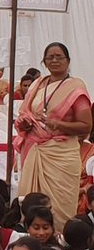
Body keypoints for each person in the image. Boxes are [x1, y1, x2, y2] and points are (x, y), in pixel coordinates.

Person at [15, 43, 92, 223]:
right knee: (32, 202)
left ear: (68, 61)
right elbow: (25, 113)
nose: (55, 60)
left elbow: (86, 126)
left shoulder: (75, 87)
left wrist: (59, 124)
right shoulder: (38, 84)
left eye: (59, 57)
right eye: (50, 57)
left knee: (61, 208)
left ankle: (61, 242)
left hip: (61, 154)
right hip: (35, 149)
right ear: (44, 61)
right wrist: (25, 124)